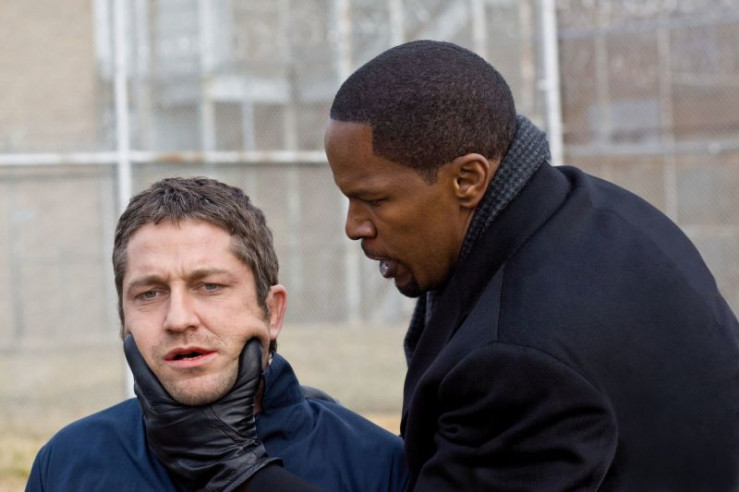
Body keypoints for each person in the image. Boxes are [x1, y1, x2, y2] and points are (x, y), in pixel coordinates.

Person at [321, 40, 739, 490]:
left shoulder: (513, 360)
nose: (353, 227)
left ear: (468, 179)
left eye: (374, 200)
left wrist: (262, 470)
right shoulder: (611, 214)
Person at [26, 177, 409, 491]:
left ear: (272, 312)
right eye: (150, 293)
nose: (179, 319)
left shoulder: (377, 463)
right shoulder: (66, 463)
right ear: (123, 319)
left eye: (209, 286)